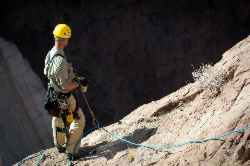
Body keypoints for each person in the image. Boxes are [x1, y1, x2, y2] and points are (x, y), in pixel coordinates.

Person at [44, 24, 89, 160]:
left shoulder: (50, 54)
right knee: (79, 120)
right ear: (64, 38)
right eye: (67, 38)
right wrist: (79, 83)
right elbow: (66, 84)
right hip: (65, 96)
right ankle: (72, 151)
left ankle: (60, 145)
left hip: (54, 94)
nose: (67, 41)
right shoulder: (61, 61)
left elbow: (48, 73)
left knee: (58, 117)